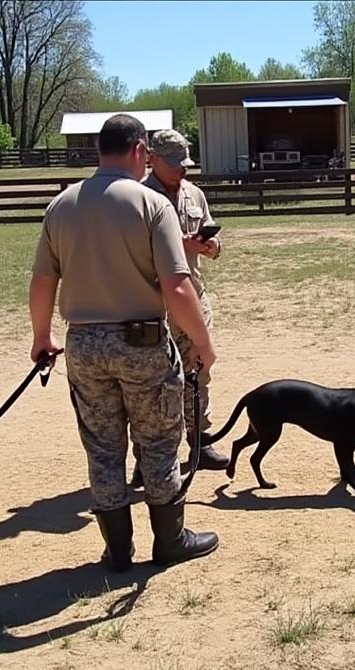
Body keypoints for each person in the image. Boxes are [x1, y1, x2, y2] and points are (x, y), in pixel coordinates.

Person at [29, 114, 219, 572]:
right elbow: (177, 286)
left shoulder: (62, 205)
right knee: (157, 442)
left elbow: (41, 281)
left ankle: (118, 550)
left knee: (103, 447)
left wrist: (42, 337)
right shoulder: (151, 205)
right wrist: (202, 342)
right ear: (139, 150)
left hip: (84, 345)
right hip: (142, 343)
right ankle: (170, 540)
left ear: (100, 149)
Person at [128, 128, 229, 488]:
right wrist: (177, 245)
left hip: (193, 298)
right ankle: (146, 458)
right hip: (153, 305)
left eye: (185, 163)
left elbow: (213, 238)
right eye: (174, 164)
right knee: (152, 382)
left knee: (198, 374)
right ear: (152, 159)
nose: (181, 171)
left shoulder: (194, 194)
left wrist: (211, 246)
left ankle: (201, 445)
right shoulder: (138, 196)